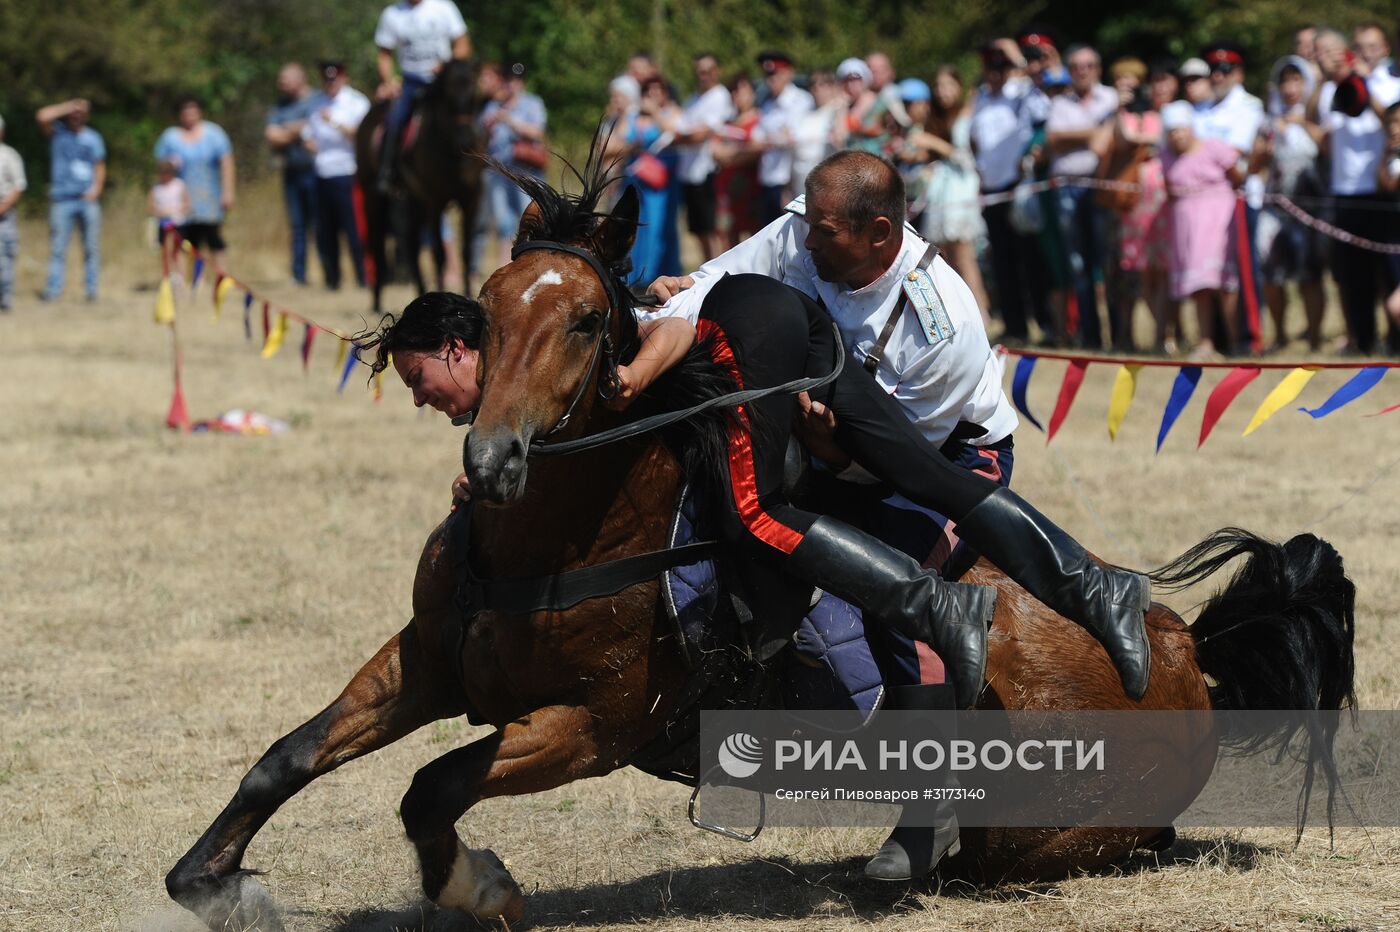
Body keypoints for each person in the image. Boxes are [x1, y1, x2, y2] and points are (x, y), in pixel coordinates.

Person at [640, 151, 1151, 879]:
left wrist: (830, 452)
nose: (807, 244)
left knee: (891, 591)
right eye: (809, 225)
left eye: (825, 233)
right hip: (818, 444)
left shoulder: (938, 319)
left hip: (947, 455)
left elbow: (906, 461)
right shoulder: (800, 231)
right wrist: (665, 298)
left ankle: (927, 812)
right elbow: (719, 284)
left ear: (880, 232)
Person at [1311, 26, 1400, 354]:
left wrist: (1364, 83)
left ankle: (1395, 340)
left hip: (1383, 191)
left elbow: (1392, 122)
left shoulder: (1392, 84)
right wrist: (1325, 78)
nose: (1366, 53)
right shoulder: (1336, 86)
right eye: (1360, 47)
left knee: (1391, 272)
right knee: (1353, 276)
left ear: (1385, 47)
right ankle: (1363, 341)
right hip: (1345, 191)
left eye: (1372, 47)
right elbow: (1317, 122)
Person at [970, 41, 1050, 344]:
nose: (996, 74)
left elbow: (1041, 102)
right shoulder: (980, 99)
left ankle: (1043, 321)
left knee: (1030, 260)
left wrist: (1017, 59)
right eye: (991, 68)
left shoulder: (1021, 94)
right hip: (991, 190)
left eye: (1001, 68)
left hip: (1017, 188)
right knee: (1002, 262)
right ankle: (1015, 325)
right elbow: (976, 139)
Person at [1046, 44, 1118, 348]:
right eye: (1076, 66)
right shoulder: (1060, 103)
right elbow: (1053, 139)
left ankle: (1118, 335)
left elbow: (1111, 142)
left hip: (1103, 189)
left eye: (1088, 65)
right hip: (1068, 188)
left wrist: (1075, 135)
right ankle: (1091, 336)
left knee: (1108, 262)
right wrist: (1097, 129)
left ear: (1097, 69)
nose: (1082, 71)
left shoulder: (1111, 98)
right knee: (1079, 265)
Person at [1160, 101, 1246, 358]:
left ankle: (1236, 340)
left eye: (1181, 130)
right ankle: (1206, 341)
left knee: (1224, 282)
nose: (1177, 136)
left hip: (1217, 220)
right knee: (1200, 287)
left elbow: (1237, 175)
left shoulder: (1213, 147)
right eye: (1172, 131)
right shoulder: (1166, 156)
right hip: (1186, 227)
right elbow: (1169, 189)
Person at [907, 66, 988, 323]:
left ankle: (981, 317)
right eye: (938, 86)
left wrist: (932, 143)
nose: (942, 92)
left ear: (958, 86)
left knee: (964, 258)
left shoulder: (966, 116)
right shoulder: (937, 119)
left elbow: (966, 159)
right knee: (945, 261)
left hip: (960, 192)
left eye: (947, 85)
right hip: (941, 194)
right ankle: (960, 317)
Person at [1258, 56, 1326, 351]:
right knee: (1271, 274)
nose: (1290, 87)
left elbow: (1328, 149)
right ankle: (1280, 335)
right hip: (1274, 208)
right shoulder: (1269, 119)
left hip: (1310, 210)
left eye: (1296, 80)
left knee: (1309, 275)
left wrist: (1306, 125)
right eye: (1284, 81)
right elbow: (1254, 165)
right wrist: (1266, 145)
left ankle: (1313, 338)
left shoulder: (1318, 115)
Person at [374, 0, 471, 193]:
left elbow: (463, 45)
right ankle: (387, 171)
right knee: (395, 119)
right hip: (411, 81)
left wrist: (447, 64)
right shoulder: (392, 14)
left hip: (442, 80)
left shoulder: (444, 7)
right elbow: (384, 54)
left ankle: (476, 165)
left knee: (465, 112)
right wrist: (389, 81)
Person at [303, 61, 370, 290]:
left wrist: (334, 122)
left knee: (354, 229)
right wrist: (308, 142)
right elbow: (308, 132)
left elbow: (361, 135)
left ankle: (363, 277)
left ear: (344, 78)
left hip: (347, 171)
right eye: (326, 80)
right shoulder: (315, 103)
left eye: (334, 79)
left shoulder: (356, 102)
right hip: (322, 172)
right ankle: (332, 279)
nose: (330, 84)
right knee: (325, 231)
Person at [155, 97, 234, 279]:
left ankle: (222, 279)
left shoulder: (214, 133)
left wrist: (228, 191)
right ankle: (192, 280)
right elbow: (161, 167)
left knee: (214, 239)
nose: (189, 114)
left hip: (209, 197)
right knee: (187, 243)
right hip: (180, 202)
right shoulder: (170, 137)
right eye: (185, 110)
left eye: (193, 109)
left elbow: (227, 163)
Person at [36, 98, 105, 302]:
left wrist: (97, 189)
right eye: (73, 114)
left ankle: (92, 291)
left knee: (91, 248)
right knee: (57, 248)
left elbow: (99, 165)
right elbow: (41, 116)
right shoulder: (58, 133)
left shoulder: (93, 138)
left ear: (87, 116)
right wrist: (69, 105)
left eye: (81, 113)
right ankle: (53, 290)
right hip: (62, 199)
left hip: (87, 199)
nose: (77, 116)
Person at [481, 62, 548, 268]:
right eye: (509, 80)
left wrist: (509, 120)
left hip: (525, 172)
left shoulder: (533, 103)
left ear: (522, 82)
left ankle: (533, 265)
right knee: (504, 222)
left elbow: (536, 132)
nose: (512, 84)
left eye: (517, 80)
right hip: (499, 172)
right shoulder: (493, 105)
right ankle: (505, 266)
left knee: (530, 218)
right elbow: (481, 134)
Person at [673, 53, 733, 263]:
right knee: (699, 229)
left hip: (708, 170)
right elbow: (681, 132)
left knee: (712, 228)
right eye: (700, 71)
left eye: (708, 71)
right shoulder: (693, 99)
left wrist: (684, 135)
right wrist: (685, 135)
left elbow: (700, 134)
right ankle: (707, 270)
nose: (703, 76)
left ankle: (718, 274)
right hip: (690, 171)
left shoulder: (719, 96)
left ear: (717, 71)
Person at [265, 63, 318, 285]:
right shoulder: (280, 105)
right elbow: (271, 136)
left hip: (317, 172)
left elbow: (316, 126)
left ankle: (330, 273)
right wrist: (298, 130)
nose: (281, 84)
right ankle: (299, 275)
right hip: (292, 172)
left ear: (300, 79)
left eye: (285, 79)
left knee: (320, 226)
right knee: (297, 226)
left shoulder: (317, 100)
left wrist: (288, 130)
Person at [752, 51, 813, 223]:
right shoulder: (767, 104)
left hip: (790, 181)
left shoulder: (801, 100)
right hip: (768, 179)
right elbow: (756, 139)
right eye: (767, 75)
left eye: (775, 74)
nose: (770, 79)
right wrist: (775, 138)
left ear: (788, 73)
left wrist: (771, 139)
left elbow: (792, 137)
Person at [712, 74, 762, 248]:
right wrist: (741, 151)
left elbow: (755, 152)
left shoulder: (759, 120)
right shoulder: (727, 122)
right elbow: (715, 152)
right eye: (734, 92)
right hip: (726, 189)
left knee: (753, 235)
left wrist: (731, 154)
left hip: (750, 189)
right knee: (726, 233)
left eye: (742, 92)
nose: (738, 97)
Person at [790, 70, 844, 196]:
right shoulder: (805, 114)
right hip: (800, 181)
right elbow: (794, 152)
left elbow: (841, 139)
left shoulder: (838, 110)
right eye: (812, 84)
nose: (816, 89)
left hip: (825, 183)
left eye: (822, 84)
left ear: (832, 87)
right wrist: (789, 186)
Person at [148, 159, 190, 276]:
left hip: (178, 223)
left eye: (167, 172)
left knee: (179, 252)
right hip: (163, 224)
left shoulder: (179, 185)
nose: (164, 175)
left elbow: (187, 204)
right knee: (166, 251)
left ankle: (183, 277)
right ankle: (167, 277)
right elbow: (150, 206)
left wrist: (174, 211)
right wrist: (159, 212)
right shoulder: (156, 186)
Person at [0, 114, 24, 312]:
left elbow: (18, 186)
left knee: (5, 259)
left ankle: (5, 301)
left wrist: (3, 207)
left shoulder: (9, 155)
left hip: (4, 215)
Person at [837, 57, 886, 156]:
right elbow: (839, 137)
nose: (851, 84)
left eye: (856, 79)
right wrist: (842, 108)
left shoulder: (879, 103)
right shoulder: (843, 105)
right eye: (847, 80)